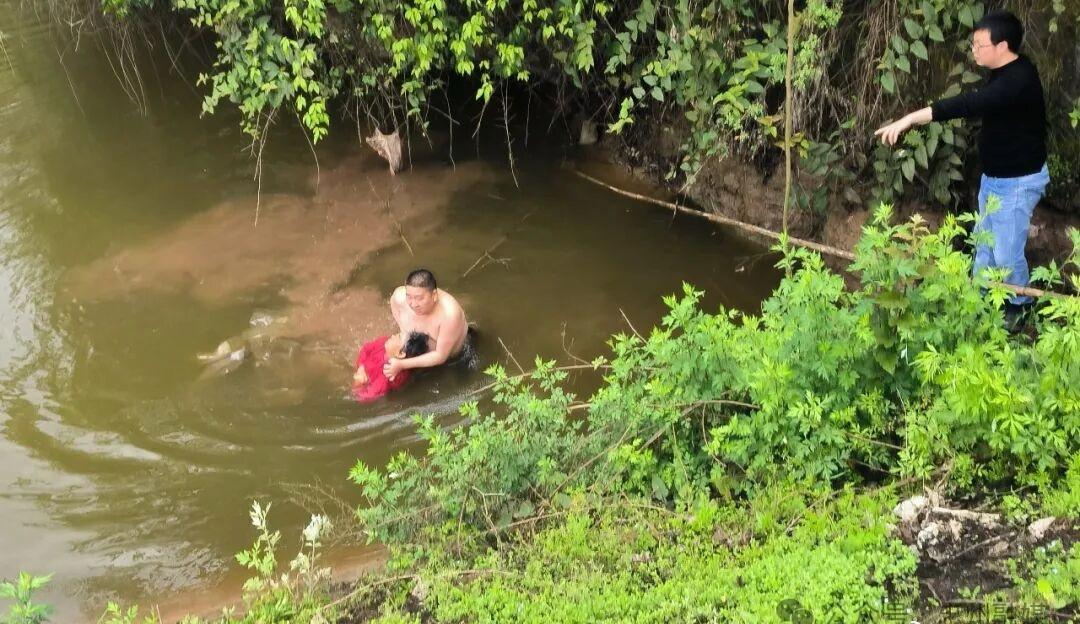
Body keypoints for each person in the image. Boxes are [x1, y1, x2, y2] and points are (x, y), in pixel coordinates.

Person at [873, 10, 1048, 326]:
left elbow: (968, 104)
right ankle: (979, 305)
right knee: (983, 248)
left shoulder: (1018, 80)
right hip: (995, 179)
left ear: (1002, 45)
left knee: (1007, 254)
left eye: (979, 45)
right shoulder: (1004, 71)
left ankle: (1018, 308)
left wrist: (910, 118)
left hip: (1018, 182)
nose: (973, 50)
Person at [383, 269, 471, 381]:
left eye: (419, 298)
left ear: (434, 295)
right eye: (409, 297)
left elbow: (441, 356)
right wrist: (404, 335)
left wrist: (402, 364)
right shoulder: (399, 297)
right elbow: (394, 306)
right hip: (416, 350)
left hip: (453, 359)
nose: (413, 304)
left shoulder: (449, 315)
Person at [352, 331, 430, 402]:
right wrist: (361, 366)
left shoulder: (389, 374)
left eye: (398, 337)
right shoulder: (383, 342)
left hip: (370, 381)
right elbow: (365, 349)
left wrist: (358, 384)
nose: (392, 336)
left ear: (400, 354)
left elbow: (367, 395)